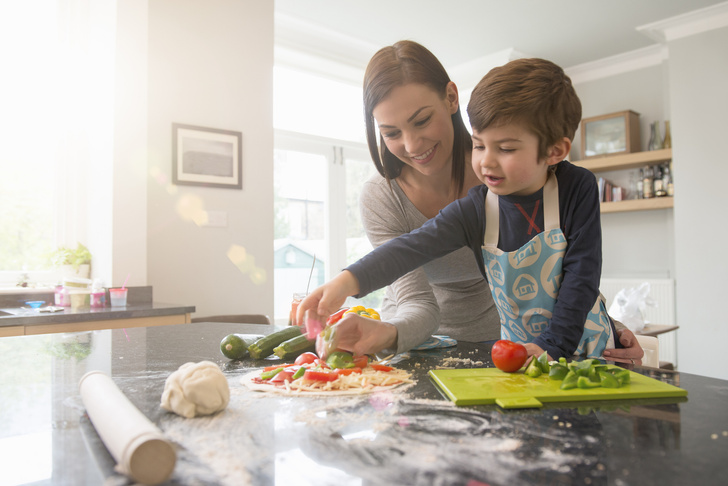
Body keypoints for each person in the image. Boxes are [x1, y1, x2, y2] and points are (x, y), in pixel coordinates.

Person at [301, 42, 642, 362]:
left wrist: (599, 330)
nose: (487, 163)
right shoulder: (477, 206)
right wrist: (344, 282)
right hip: (495, 351)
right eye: (479, 145)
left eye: (505, 148)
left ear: (555, 151)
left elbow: (580, 276)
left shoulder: (574, 186)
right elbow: (410, 248)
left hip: (558, 348)